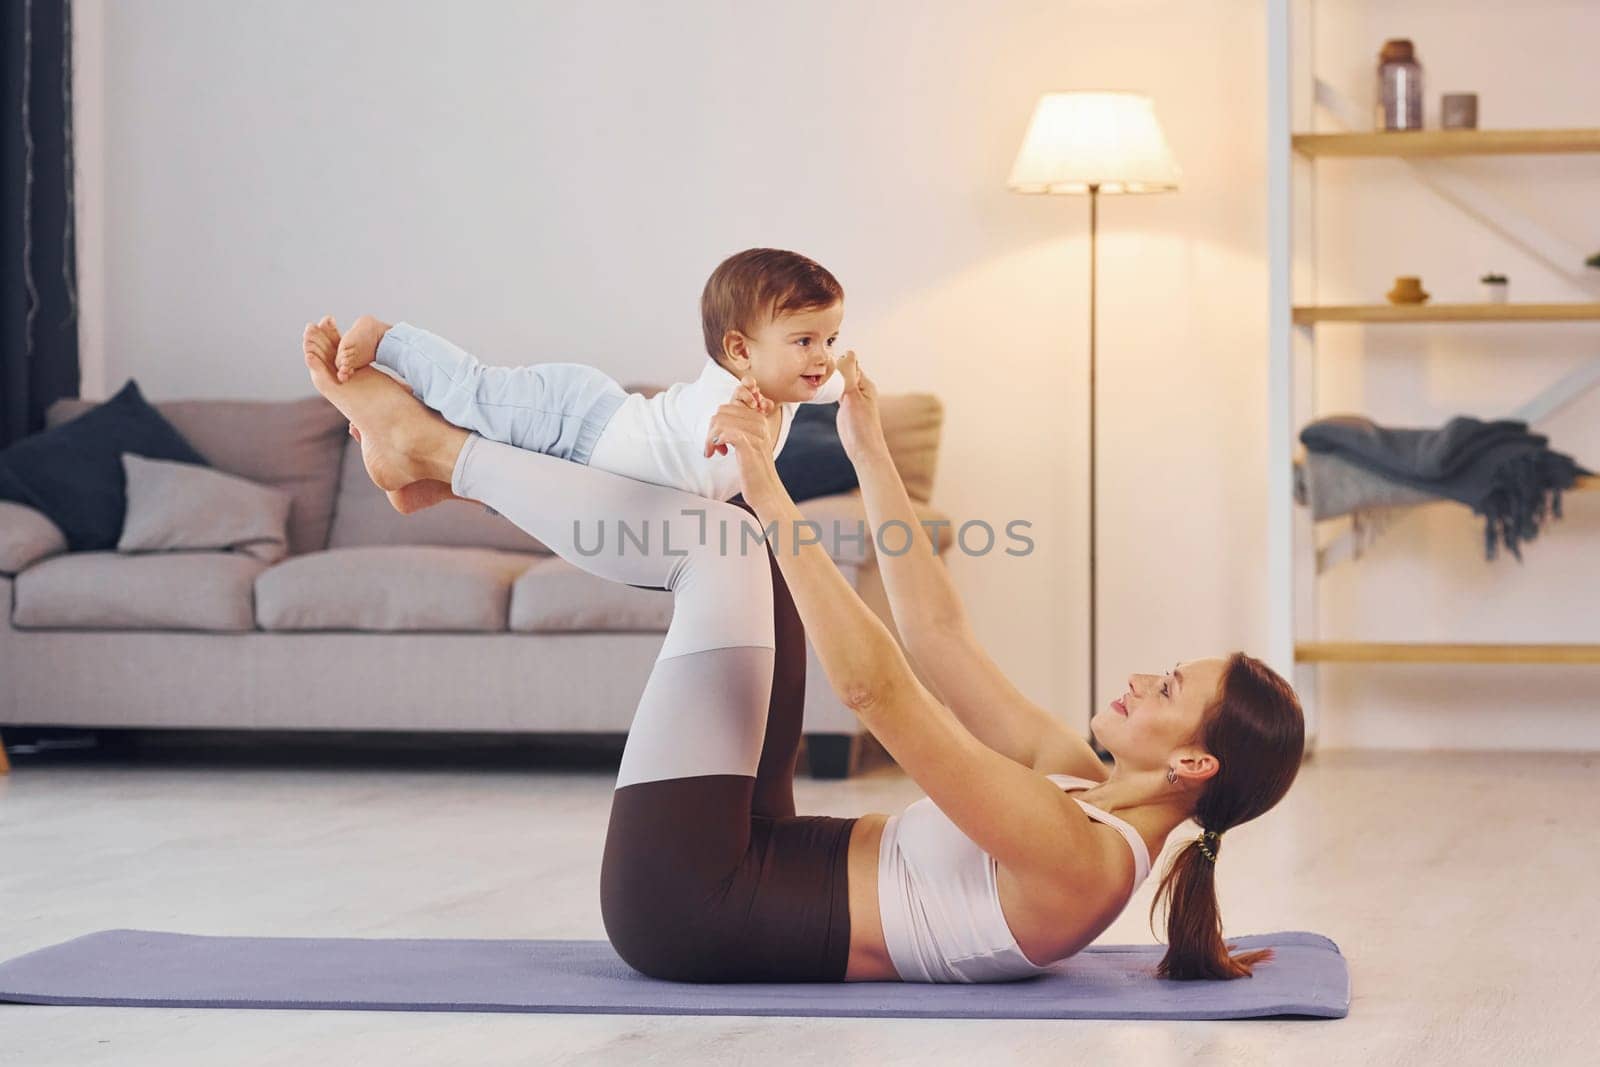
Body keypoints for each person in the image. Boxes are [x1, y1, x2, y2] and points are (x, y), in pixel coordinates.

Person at [302, 330, 1305, 985]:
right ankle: (454, 477)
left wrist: (778, 498)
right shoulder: (1085, 786)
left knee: (728, 542)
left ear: (1191, 765)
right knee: (745, 541)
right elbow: (939, 639)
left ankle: (435, 453)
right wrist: (866, 449)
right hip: (762, 850)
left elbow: (878, 689)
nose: (1139, 678)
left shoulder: (1077, 853)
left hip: (693, 900)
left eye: (1168, 688)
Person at [301, 247, 845, 517]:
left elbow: (834, 383)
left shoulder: (788, 388)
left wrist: (852, 383)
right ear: (739, 351)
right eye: (804, 341)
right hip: (579, 419)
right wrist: (736, 421)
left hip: (590, 471)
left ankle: (421, 475)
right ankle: (391, 340)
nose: (820, 357)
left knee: (508, 479)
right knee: (475, 393)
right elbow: (712, 438)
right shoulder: (730, 396)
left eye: (830, 339)